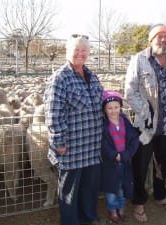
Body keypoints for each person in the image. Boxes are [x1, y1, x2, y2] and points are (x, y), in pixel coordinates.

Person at [124, 23, 166, 222]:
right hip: (146, 127)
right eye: (159, 36)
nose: (163, 40)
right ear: (151, 40)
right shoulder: (139, 60)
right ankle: (139, 202)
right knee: (140, 165)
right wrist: (146, 112)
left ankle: (160, 195)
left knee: (163, 163)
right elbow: (130, 91)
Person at [44, 34, 106, 225]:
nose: (80, 54)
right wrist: (59, 143)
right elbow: (53, 114)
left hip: (92, 147)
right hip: (71, 148)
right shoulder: (60, 78)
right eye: (76, 50)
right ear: (67, 51)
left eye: (84, 50)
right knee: (69, 191)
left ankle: (89, 217)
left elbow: (101, 101)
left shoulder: (92, 76)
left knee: (89, 187)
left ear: (88, 52)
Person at [100, 90, 139, 224]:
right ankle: (112, 211)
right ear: (105, 109)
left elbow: (134, 139)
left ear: (120, 107)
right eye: (109, 108)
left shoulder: (125, 122)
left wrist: (126, 154)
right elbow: (103, 143)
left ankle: (120, 208)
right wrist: (113, 155)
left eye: (116, 107)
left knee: (122, 186)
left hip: (125, 161)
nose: (113, 110)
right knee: (112, 188)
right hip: (110, 164)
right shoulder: (103, 126)